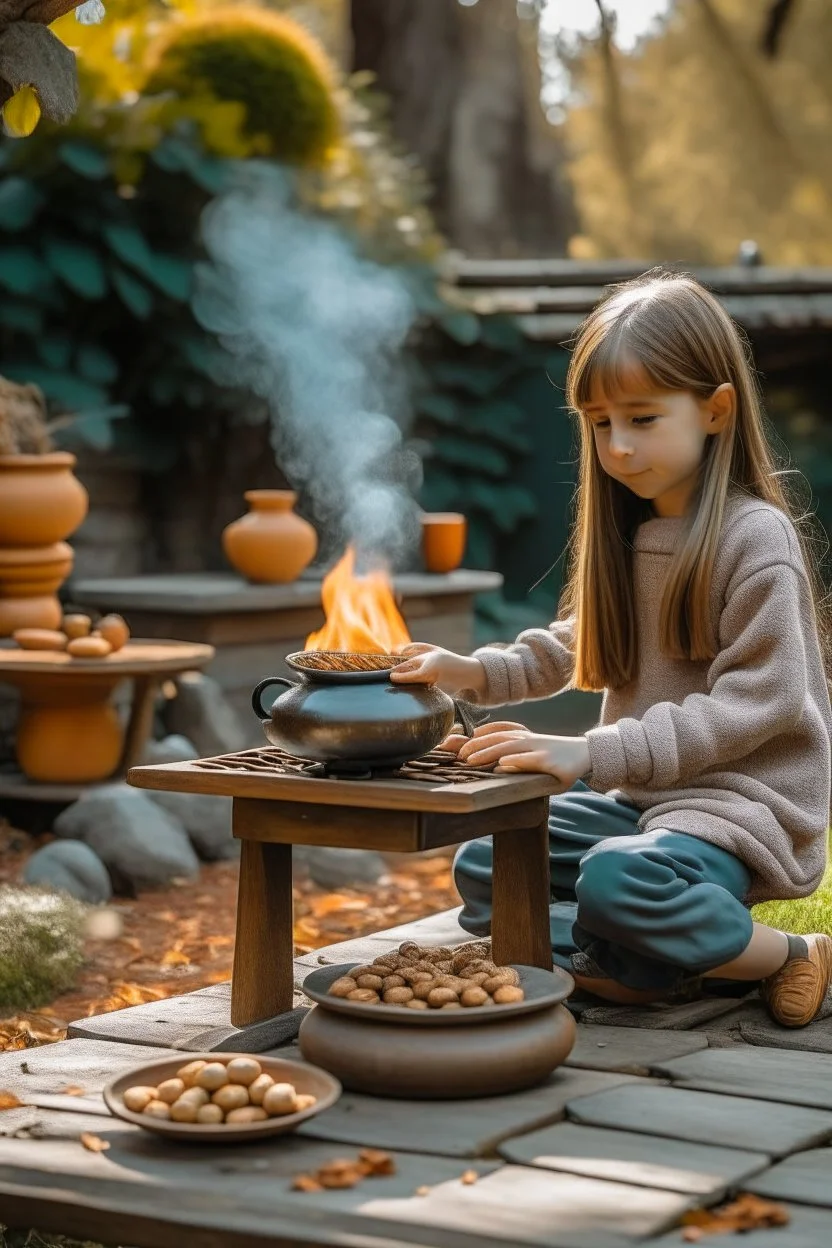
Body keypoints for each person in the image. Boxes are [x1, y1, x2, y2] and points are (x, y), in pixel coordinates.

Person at [391, 268, 832, 1028]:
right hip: (641, 807)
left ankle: (787, 955)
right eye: (599, 424)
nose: (618, 447)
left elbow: (761, 700)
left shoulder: (755, 538)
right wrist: (471, 673)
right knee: (489, 864)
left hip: (736, 810)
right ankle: (647, 963)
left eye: (642, 418)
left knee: (618, 885)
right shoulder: (628, 534)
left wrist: (592, 754)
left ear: (716, 410)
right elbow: (578, 642)